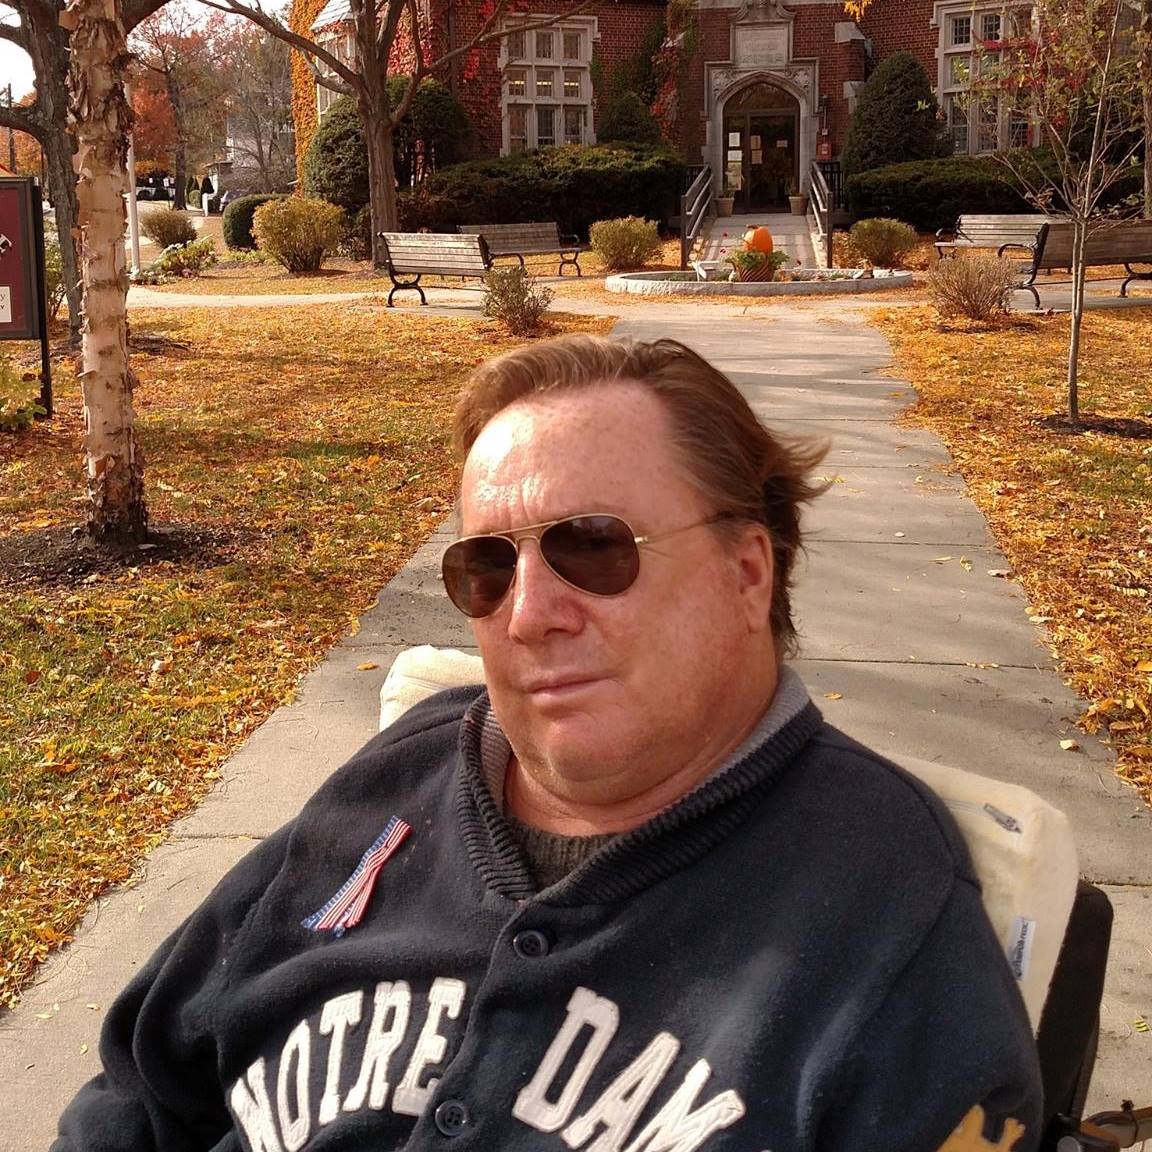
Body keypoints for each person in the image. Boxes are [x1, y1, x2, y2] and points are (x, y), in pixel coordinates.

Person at [54, 335, 1042, 1152]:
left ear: (748, 573)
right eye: (487, 567)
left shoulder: (885, 912)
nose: (528, 615)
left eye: (594, 546)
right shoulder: (391, 783)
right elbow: (141, 1089)